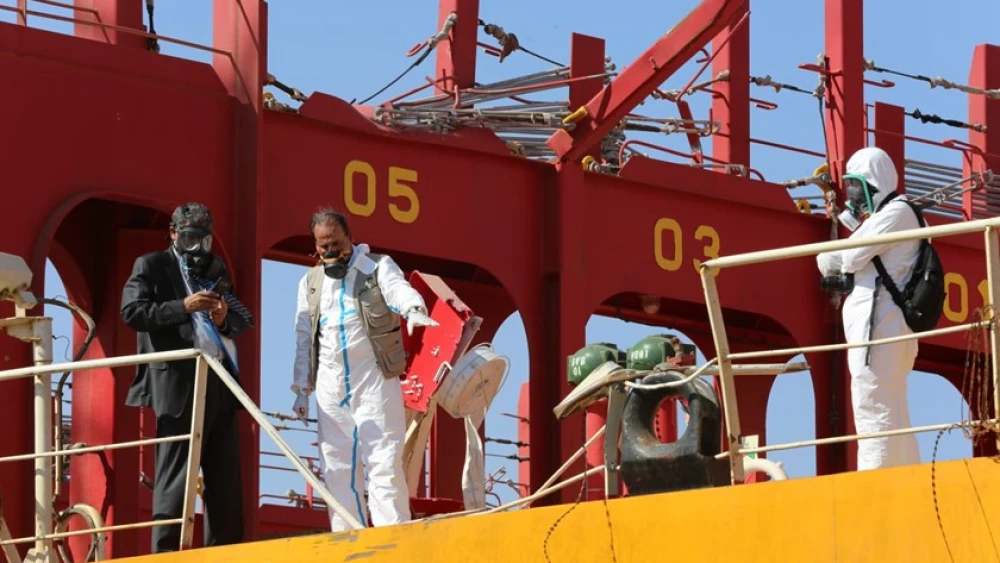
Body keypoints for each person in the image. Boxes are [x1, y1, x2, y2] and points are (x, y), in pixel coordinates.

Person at [290, 207, 439, 532]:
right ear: (316, 246)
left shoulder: (377, 267)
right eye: (324, 246)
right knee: (336, 464)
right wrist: (302, 388)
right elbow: (304, 335)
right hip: (330, 383)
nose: (331, 251)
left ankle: (392, 534)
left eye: (336, 244)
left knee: (383, 458)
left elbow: (397, 289)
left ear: (350, 238)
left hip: (373, 377)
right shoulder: (310, 283)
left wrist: (413, 308)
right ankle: (347, 535)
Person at [120, 202, 255, 552]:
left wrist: (222, 317)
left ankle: (226, 552)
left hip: (219, 380)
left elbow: (243, 319)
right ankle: (165, 552)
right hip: (179, 381)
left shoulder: (214, 269)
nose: (198, 248)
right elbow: (132, 312)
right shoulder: (151, 265)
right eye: (191, 238)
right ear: (174, 233)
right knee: (176, 470)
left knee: (225, 474)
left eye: (204, 240)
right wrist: (183, 307)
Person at [816, 147, 921, 470]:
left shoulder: (898, 212)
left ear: (874, 182)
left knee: (873, 401)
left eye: (856, 185)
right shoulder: (887, 216)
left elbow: (850, 255)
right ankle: (903, 475)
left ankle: (876, 479)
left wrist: (832, 258)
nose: (852, 194)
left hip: (880, 326)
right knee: (890, 405)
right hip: (880, 325)